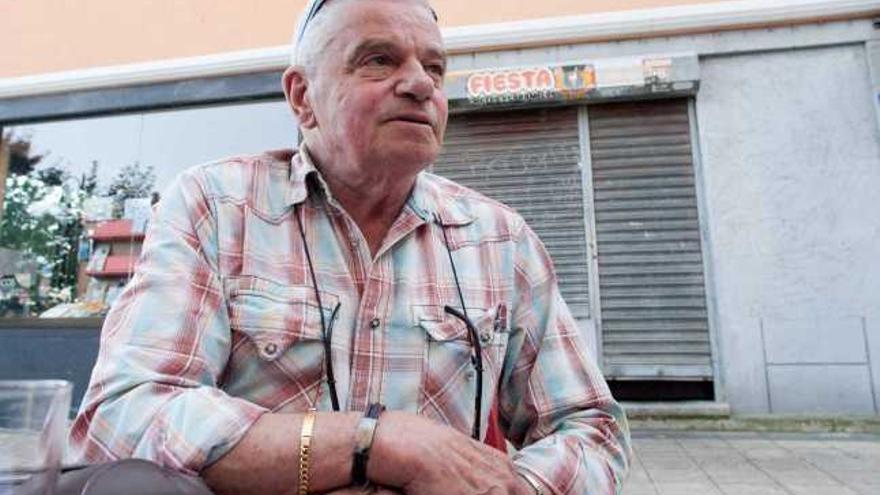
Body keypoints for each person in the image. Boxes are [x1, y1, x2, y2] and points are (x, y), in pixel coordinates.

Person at [68, 0, 631, 493]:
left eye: (434, 66)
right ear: (302, 96)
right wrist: (374, 444)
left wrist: (508, 488)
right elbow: (126, 415)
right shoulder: (217, 208)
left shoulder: (500, 239)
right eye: (379, 60)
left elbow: (590, 427)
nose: (420, 83)